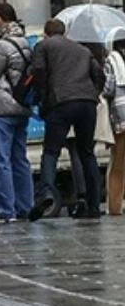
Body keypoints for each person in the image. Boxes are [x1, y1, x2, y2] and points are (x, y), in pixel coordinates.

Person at [28, 18, 106, 221]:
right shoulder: (83, 50)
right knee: (87, 153)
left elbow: (39, 73)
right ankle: (94, 205)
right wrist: (93, 94)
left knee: (51, 152)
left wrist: (43, 99)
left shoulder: (43, 46)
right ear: (64, 32)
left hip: (60, 102)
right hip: (87, 103)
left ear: (46, 33)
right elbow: (99, 74)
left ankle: (47, 193)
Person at [0, 2, 35, 223]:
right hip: (21, 106)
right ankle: (25, 206)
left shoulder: (2, 45)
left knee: (0, 159)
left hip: (3, 107)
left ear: (3, 18)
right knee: (19, 158)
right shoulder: (24, 41)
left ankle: (6, 209)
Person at [105, 30, 125, 215]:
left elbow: (108, 89)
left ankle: (115, 207)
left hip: (121, 117)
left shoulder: (111, 60)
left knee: (118, 164)